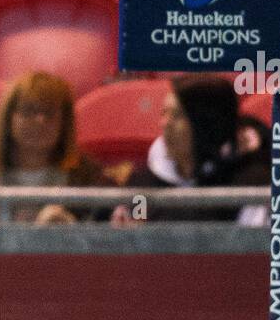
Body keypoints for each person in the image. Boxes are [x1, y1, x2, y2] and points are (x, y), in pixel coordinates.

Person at [0, 72, 112, 223]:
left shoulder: (91, 179)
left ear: (65, 123)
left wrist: (71, 232)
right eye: (28, 111)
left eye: (50, 112)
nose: (40, 121)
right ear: (8, 118)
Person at [115, 76, 270, 223]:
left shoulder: (250, 189)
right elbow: (131, 236)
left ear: (207, 125)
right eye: (164, 112)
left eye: (178, 115)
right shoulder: (141, 183)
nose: (165, 123)